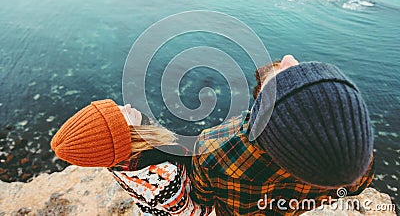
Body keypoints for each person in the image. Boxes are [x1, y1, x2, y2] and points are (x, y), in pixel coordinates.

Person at [189, 55, 374, 215]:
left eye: (280, 83)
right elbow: (355, 188)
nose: (289, 58)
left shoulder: (213, 147)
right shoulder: (353, 160)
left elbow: (203, 197)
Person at [51, 99, 212, 216]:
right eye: (121, 116)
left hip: (153, 205)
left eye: (118, 107)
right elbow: (190, 213)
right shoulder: (164, 176)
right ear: (122, 139)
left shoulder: (116, 161)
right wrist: (214, 204)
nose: (127, 106)